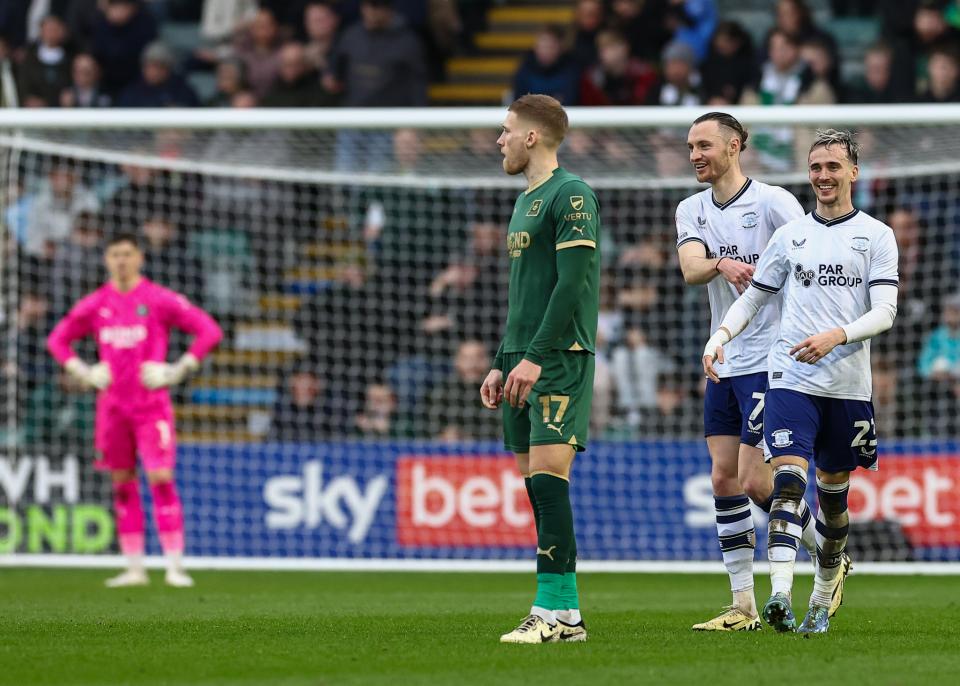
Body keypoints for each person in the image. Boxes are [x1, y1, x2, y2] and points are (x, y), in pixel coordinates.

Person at [703, 129, 899, 634]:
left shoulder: (876, 235)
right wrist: (720, 336)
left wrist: (838, 335)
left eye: (833, 166)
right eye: (816, 167)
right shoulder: (790, 236)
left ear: (853, 172)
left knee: (833, 502)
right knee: (787, 482)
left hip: (847, 387)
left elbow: (885, 312)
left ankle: (823, 593)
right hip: (789, 378)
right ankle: (781, 595)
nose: (823, 176)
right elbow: (754, 297)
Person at [677, 111, 823, 632]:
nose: (695, 155)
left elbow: (810, 263)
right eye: (690, 146)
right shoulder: (691, 208)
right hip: (724, 358)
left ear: (734, 146)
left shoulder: (774, 202)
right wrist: (721, 263)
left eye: (704, 145)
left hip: (770, 360)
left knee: (756, 481)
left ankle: (826, 552)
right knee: (723, 478)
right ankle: (742, 605)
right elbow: (691, 269)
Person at [481, 94, 600, 644]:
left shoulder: (571, 194)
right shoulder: (525, 199)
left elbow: (571, 284)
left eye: (506, 130)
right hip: (521, 356)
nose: (499, 140)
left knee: (550, 483)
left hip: (558, 356)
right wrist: (502, 359)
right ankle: (568, 616)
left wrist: (533, 357)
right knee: (537, 488)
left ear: (531, 136)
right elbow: (523, 295)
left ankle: (548, 612)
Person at [47, 233, 223, 588]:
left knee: (160, 478)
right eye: (114, 253)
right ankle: (135, 569)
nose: (121, 260)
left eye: (127, 253)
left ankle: (175, 567)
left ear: (140, 257)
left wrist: (178, 369)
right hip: (112, 409)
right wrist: (83, 371)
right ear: (106, 259)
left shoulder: (158, 299)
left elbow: (209, 331)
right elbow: (57, 340)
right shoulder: (96, 303)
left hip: (151, 406)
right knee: (123, 485)